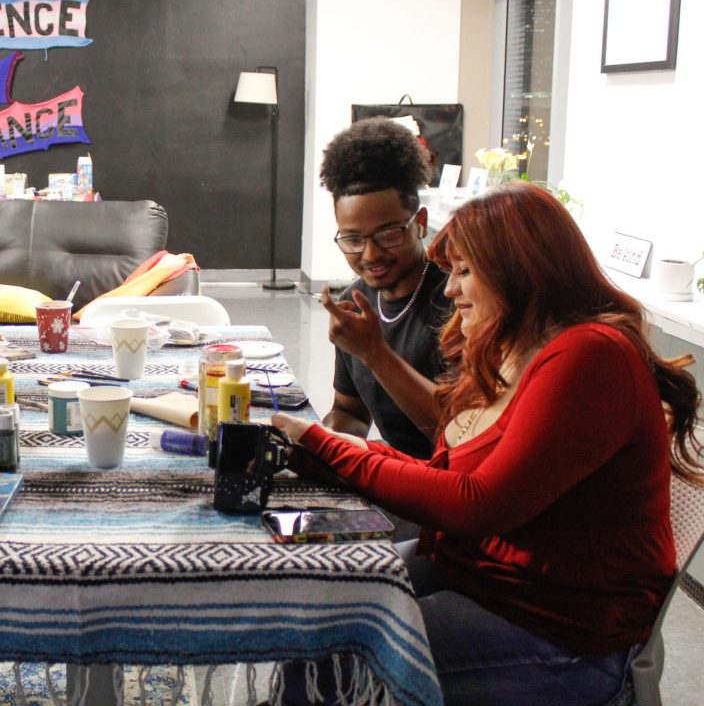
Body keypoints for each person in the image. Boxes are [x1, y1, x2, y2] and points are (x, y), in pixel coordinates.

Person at [274, 183, 703, 705]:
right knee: (314, 615)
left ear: (521, 271)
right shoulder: (511, 345)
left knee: (330, 669)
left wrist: (330, 447)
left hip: (559, 629)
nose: (450, 290)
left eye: (464, 272)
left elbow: (477, 503)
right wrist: (341, 453)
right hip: (479, 576)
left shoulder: (589, 355)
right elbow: (449, 464)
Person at [318, 117, 451, 459]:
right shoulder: (355, 302)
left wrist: (374, 353)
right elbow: (350, 414)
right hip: (397, 471)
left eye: (389, 234)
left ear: (419, 224)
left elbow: (457, 432)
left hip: (449, 483)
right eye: (353, 239)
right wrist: (320, 440)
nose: (371, 254)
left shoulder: (456, 300)